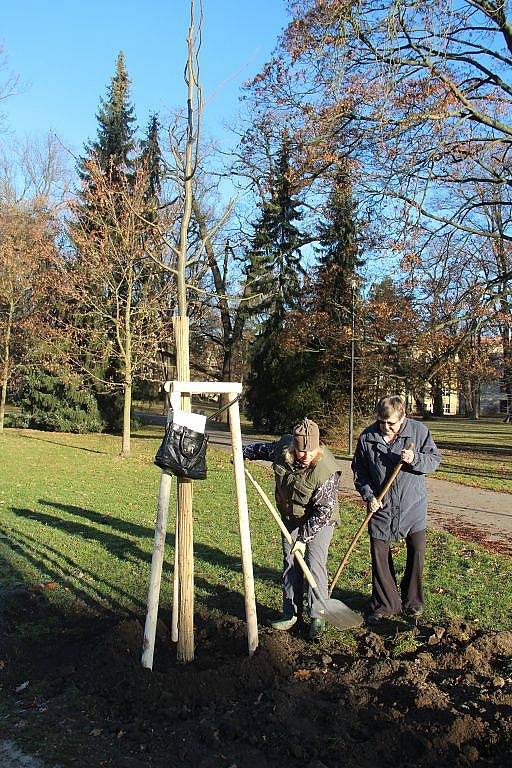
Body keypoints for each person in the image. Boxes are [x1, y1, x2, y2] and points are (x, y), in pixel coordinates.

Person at [243, 417, 341, 640]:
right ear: (293, 447)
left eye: (311, 451)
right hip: (290, 516)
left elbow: (323, 510)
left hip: (320, 520)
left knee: (314, 563)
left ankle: (318, 615)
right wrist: (243, 453)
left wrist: (303, 538)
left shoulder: (326, 469)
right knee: (290, 561)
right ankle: (291, 613)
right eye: (301, 451)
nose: (305, 456)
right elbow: (262, 449)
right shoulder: (283, 449)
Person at [351, 395, 441, 622]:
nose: (386, 427)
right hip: (380, 507)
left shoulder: (419, 432)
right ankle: (386, 603)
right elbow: (359, 471)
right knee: (380, 555)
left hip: (413, 506)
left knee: (417, 551)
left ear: (403, 418)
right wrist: (369, 496)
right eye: (382, 422)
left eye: (391, 423)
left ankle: (412, 602)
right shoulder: (368, 437)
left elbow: (434, 461)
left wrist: (414, 458)